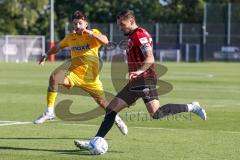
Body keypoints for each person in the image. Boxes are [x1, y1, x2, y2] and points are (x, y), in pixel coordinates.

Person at [74, 9, 207, 150]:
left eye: (122, 24)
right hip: (135, 82)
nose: (120, 27)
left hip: (146, 79)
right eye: (119, 25)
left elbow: (150, 58)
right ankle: (95, 141)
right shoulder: (132, 36)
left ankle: (192, 107)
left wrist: (138, 71)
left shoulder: (140, 35)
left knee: (156, 114)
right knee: (111, 109)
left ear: (131, 21)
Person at [34, 10, 128, 135]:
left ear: (85, 23)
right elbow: (58, 47)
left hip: (91, 79)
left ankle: (116, 118)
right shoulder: (71, 37)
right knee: (54, 78)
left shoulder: (92, 33)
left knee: (104, 104)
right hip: (74, 75)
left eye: (79, 23)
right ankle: (49, 112)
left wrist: (90, 32)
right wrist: (46, 54)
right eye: (75, 24)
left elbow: (105, 41)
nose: (77, 26)